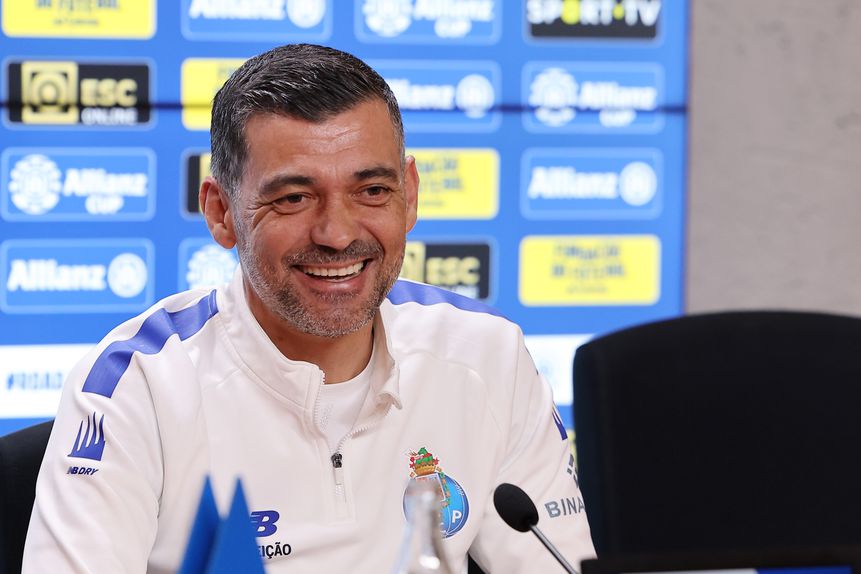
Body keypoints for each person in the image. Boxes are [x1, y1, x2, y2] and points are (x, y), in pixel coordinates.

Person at [23, 44, 594, 572]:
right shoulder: (137, 386)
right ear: (221, 212)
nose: (337, 234)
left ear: (410, 195)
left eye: (372, 191)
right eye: (294, 197)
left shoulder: (488, 354)